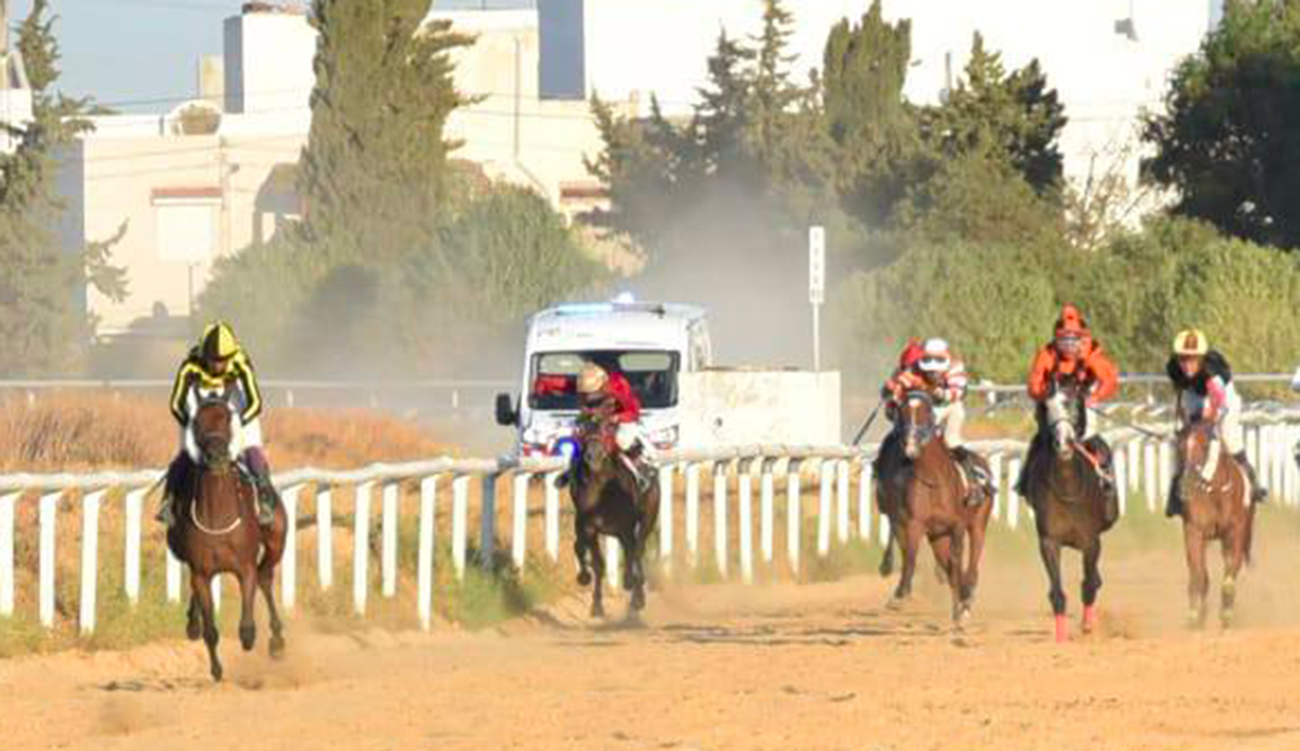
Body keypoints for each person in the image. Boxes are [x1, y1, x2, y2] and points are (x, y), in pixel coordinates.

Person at [158, 322, 279, 527]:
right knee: (186, 453)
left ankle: (265, 499)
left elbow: (255, 402)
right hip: (200, 407)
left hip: (236, 407)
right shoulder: (189, 365)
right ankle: (169, 501)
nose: (217, 365)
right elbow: (176, 403)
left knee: (251, 450)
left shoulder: (241, 362)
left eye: (223, 360)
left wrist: (237, 422)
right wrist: (192, 426)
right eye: (213, 360)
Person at [1016, 304, 1121, 502]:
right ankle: (1026, 483)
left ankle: (1106, 478)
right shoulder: (1046, 354)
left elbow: (1110, 380)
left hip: (1082, 399)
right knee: (1041, 438)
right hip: (1054, 399)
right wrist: (1042, 393)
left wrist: (1096, 396)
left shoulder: (1091, 353)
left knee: (1091, 435)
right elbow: (1033, 383)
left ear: (1082, 338)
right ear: (1057, 339)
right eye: (1064, 340)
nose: (1070, 345)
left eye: (1074, 340)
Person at [1165, 329, 1267, 517]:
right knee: (1185, 443)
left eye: (1193, 359)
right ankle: (1175, 497)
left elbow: (1217, 402)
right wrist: (1184, 422)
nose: (1187, 365)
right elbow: (1180, 393)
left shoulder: (1212, 371)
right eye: (1183, 359)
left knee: (1227, 438)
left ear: (1202, 358)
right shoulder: (1172, 367)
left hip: (1223, 396)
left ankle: (1253, 483)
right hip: (1194, 394)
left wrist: (1206, 421)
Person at [881, 337, 988, 505]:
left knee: (951, 441)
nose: (932, 373)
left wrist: (941, 393)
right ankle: (889, 480)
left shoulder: (955, 367)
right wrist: (892, 395)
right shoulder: (915, 367)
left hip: (950, 407)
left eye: (936, 371)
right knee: (908, 434)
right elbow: (901, 385)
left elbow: (958, 392)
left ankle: (973, 484)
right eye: (929, 370)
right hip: (928, 407)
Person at [557, 362, 654, 490]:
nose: (588, 395)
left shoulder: (618, 386)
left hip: (622, 416)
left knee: (622, 441)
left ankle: (640, 472)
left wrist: (618, 417)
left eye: (591, 391)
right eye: (585, 392)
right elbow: (560, 384)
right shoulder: (582, 385)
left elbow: (633, 411)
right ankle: (572, 470)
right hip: (597, 417)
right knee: (577, 435)